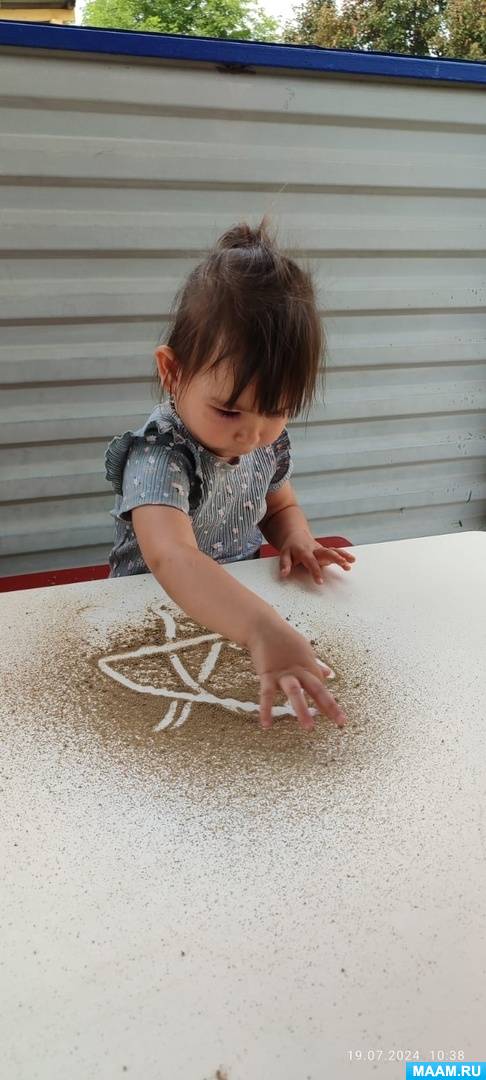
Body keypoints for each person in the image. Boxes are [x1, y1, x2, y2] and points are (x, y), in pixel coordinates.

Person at [105, 217, 356, 732]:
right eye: (228, 410)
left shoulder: (264, 442)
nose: (253, 433)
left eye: (277, 410)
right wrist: (262, 628)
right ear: (172, 372)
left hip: (236, 610)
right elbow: (172, 557)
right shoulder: (159, 456)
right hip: (150, 616)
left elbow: (280, 505)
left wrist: (297, 537)